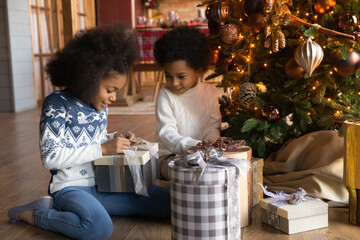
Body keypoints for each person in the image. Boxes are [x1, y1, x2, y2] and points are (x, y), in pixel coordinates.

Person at [8, 24, 170, 239]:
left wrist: (116, 138)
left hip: (104, 184)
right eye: (110, 90)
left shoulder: (99, 106)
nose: (113, 97)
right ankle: (35, 214)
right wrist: (103, 148)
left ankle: (91, 210)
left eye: (117, 91)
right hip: (69, 188)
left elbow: (95, 139)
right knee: (99, 228)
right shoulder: (57, 104)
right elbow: (51, 158)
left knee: (169, 203)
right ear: (89, 77)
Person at [153, 26, 221, 179]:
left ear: (198, 70)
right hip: (170, 158)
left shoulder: (210, 92)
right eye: (168, 76)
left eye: (181, 76)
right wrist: (196, 146)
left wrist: (211, 144)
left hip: (204, 155)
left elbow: (212, 126)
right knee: (190, 175)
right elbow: (167, 134)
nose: (174, 83)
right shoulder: (165, 95)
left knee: (215, 174)